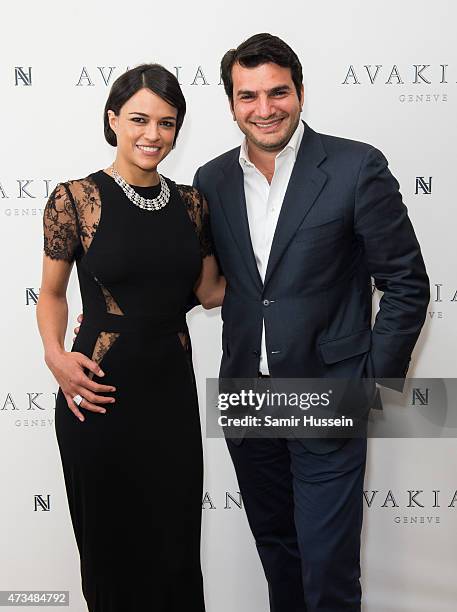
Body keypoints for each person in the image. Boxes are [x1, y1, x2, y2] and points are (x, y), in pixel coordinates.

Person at [191, 34, 430, 611]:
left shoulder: (355, 166)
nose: (265, 108)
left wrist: (368, 381)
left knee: (328, 570)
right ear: (231, 103)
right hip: (247, 395)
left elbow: (405, 282)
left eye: (278, 92)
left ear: (300, 92)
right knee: (279, 554)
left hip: (327, 392)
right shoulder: (211, 180)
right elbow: (211, 284)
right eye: (248, 96)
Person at [37, 63, 224, 612]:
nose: (152, 135)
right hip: (98, 394)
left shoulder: (192, 204)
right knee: (111, 550)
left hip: (170, 395)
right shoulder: (74, 200)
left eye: (167, 123)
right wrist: (55, 356)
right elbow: (51, 295)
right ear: (113, 119)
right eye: (139, 119)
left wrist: (301, 272)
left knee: (174, 550)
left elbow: (211, 290)